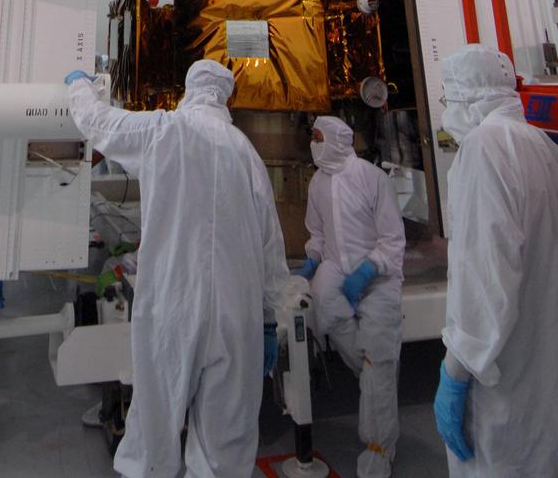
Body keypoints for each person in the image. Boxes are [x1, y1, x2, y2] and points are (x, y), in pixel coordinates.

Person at [65, 59, 290, 478]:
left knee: (156, 426)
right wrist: (266, 320)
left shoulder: (163, 130)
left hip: (173, 304)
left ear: (188, 88)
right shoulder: (245, 151)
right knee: (226, 444)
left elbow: (98, 123)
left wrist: (79, 87)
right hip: (236, 316)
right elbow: (270, 247)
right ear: (227, 96)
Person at [433, 43, 558, 477]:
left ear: (465, 95)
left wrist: (457, 368)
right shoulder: (548, 151)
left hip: (501, 375)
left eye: (446, 96)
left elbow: (486, 273)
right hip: (550, 370)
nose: (445, 108)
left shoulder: (484, 147)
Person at [293, 116, 405, 478]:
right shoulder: (318, 183)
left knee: (378, 354)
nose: (313, 143)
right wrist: (312, 259)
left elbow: (392, 240)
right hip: (337, 267)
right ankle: (374, 371)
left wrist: (370, 269)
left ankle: (379, 446)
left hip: (378, 276)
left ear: (338, 141)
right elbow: (317, 231)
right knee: (325, 306)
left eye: (318, 137)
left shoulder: (373, 179)